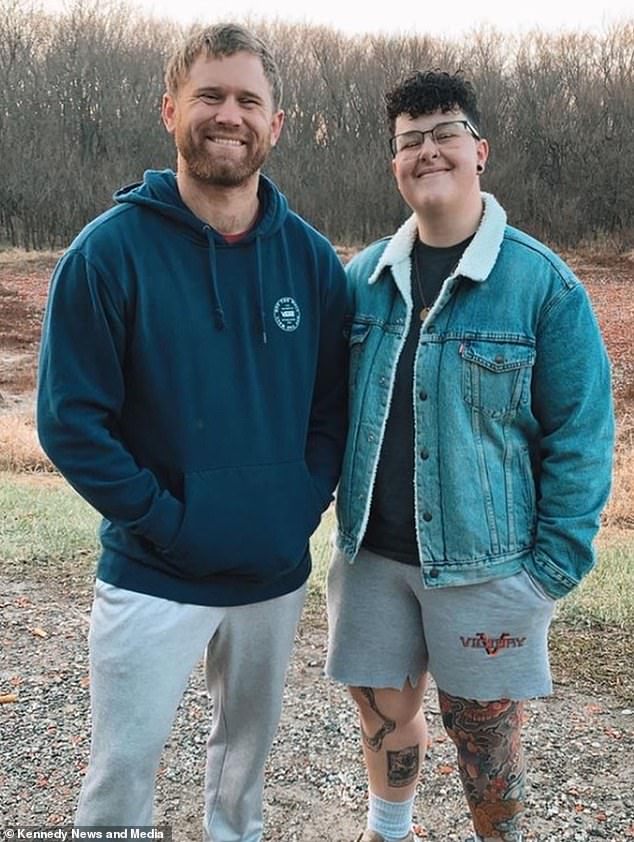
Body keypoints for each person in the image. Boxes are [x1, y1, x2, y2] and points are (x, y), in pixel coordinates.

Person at [36, 23, 348, 842]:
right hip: (152, 572)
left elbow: (333, 408)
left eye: (249, 99)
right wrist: (169, 522)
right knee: (119, 779)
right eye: (210, 95)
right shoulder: (107, 255)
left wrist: (296, 505)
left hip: (272, 575)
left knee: (243, 780)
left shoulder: (313, 262)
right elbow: (71, 423)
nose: (228, 115)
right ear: (171, 108)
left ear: (276, 124)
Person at [326, 70, 614, 842]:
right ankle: (389, 831)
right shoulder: (362, 281)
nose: (428, 150)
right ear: (395, 163)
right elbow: (325, 414)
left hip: (489, 569)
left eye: (445, 133)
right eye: (410, 140)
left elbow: (583, 438)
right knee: (383, 712)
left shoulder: (542, 286)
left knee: (484, 738)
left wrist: (548, 573)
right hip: (372, 557)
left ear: (479, 150)